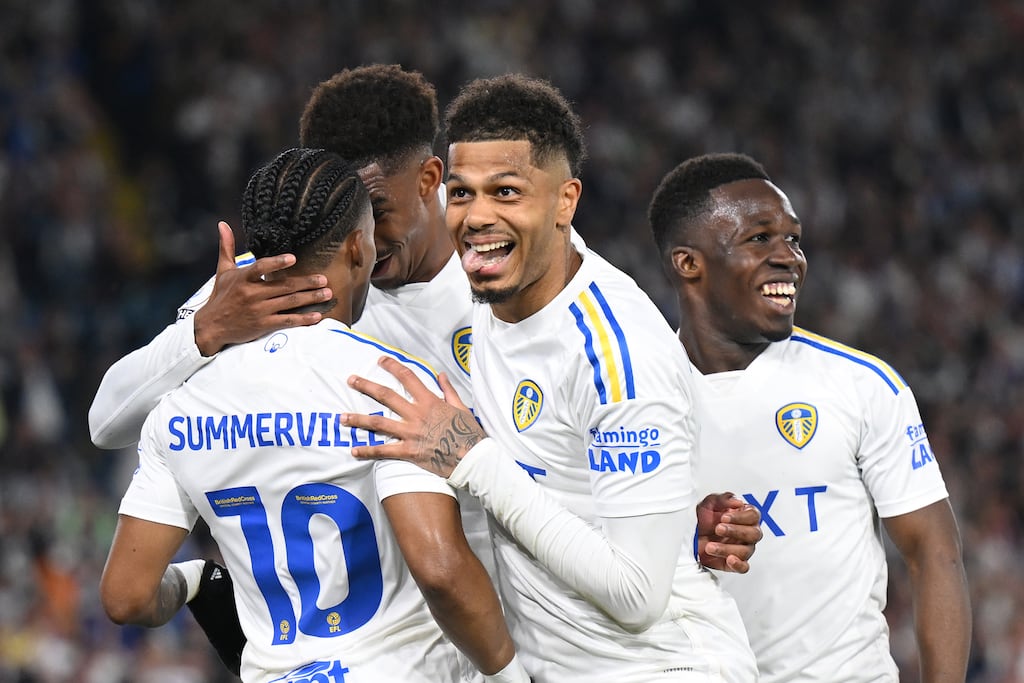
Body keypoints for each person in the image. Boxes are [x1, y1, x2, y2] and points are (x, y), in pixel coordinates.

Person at [89, 64, 759, 675]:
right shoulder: (280, 287)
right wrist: (202, 333)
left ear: (430, 181)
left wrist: (667, 513)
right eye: (347, 217)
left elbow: (599, 421)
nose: (366, 239)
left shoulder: (515, 276)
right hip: (470, 645)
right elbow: (106, 419)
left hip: (578, 639)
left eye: (376, 212)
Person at [340, 74, 758, 683]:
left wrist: (470, 456)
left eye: (506, 192)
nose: (478, 217)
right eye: (462, 194)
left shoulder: (615, 354)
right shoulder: (503, 287)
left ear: (565, 201)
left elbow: (636, 597)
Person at [99, 147, 529, 683]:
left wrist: (192, 581)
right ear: (356, 249)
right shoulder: (390, 384)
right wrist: (508, 674)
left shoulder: (179, 408)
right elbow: (441, 570)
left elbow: (126, 595)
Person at [646, 152, 972, 682]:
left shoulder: (861, 385)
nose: (789, 258)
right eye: (760, 239)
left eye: (793, 240)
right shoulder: (634, 396)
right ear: (689, 263)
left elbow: (935, 554)